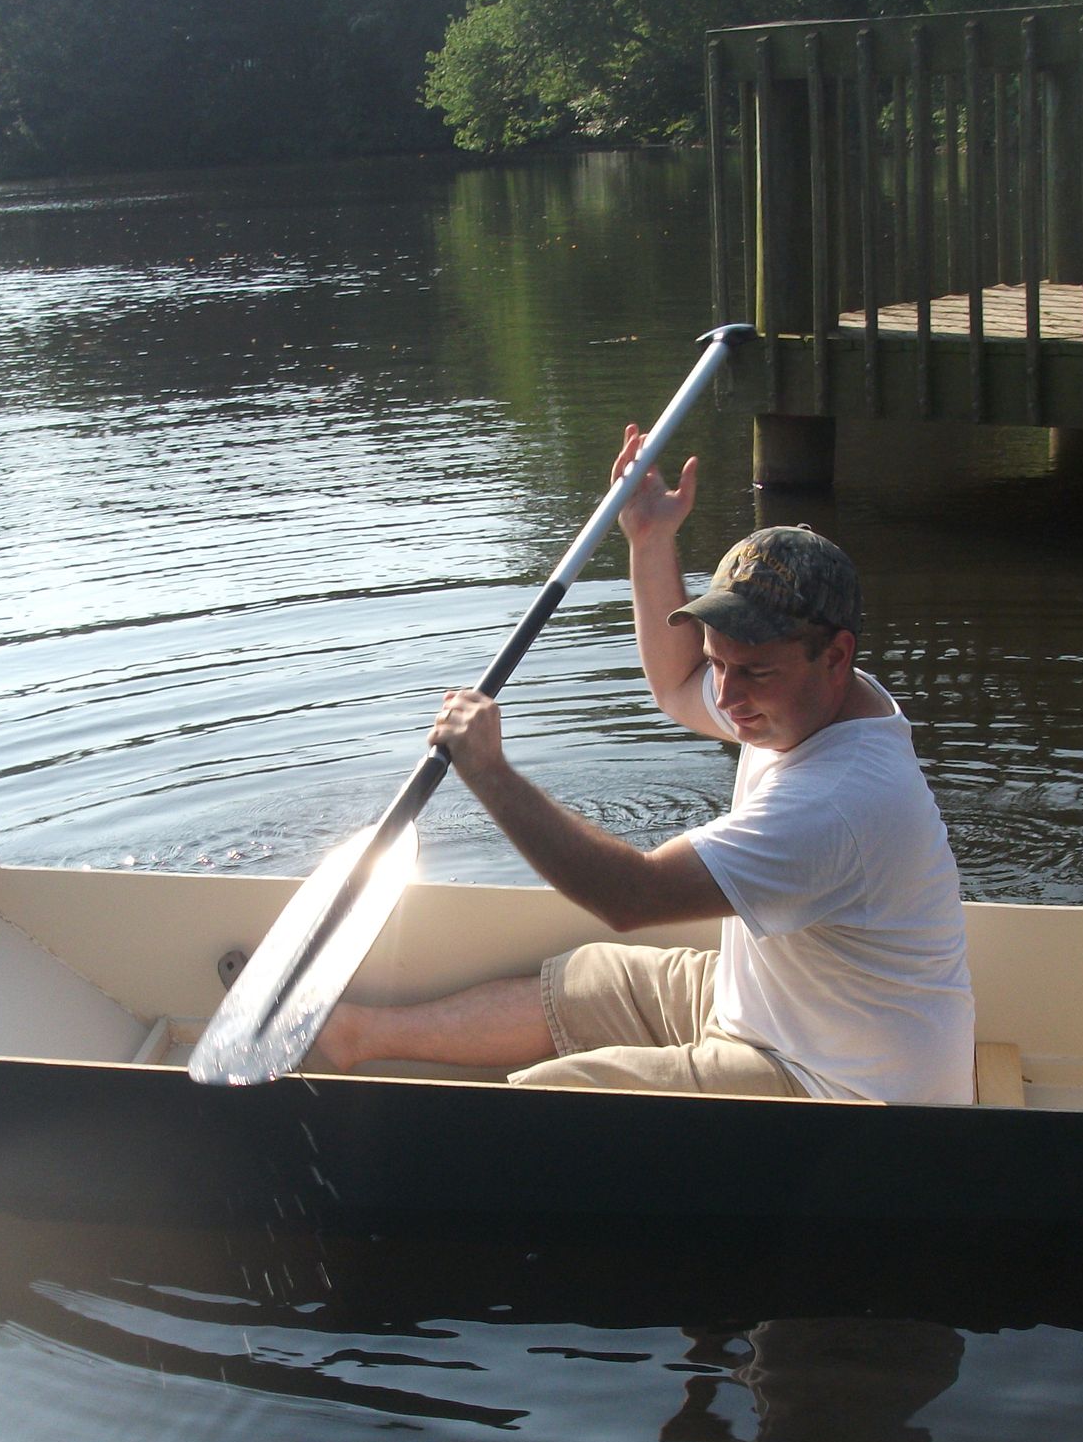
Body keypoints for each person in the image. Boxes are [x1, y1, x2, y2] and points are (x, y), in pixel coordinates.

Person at [307, 425, 976, 1105]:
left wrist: (491, 773)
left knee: (556, 1100)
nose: (726, 694)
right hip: (780, 1011)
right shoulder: (811, 702)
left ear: (835, 656)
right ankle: (358, 1035)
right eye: (720, 662)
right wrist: (651, 540)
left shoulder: (837, 802)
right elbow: (677, 685)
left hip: (845, 1093)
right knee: (586, 979)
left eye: (752, 672)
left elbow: (631, 896)